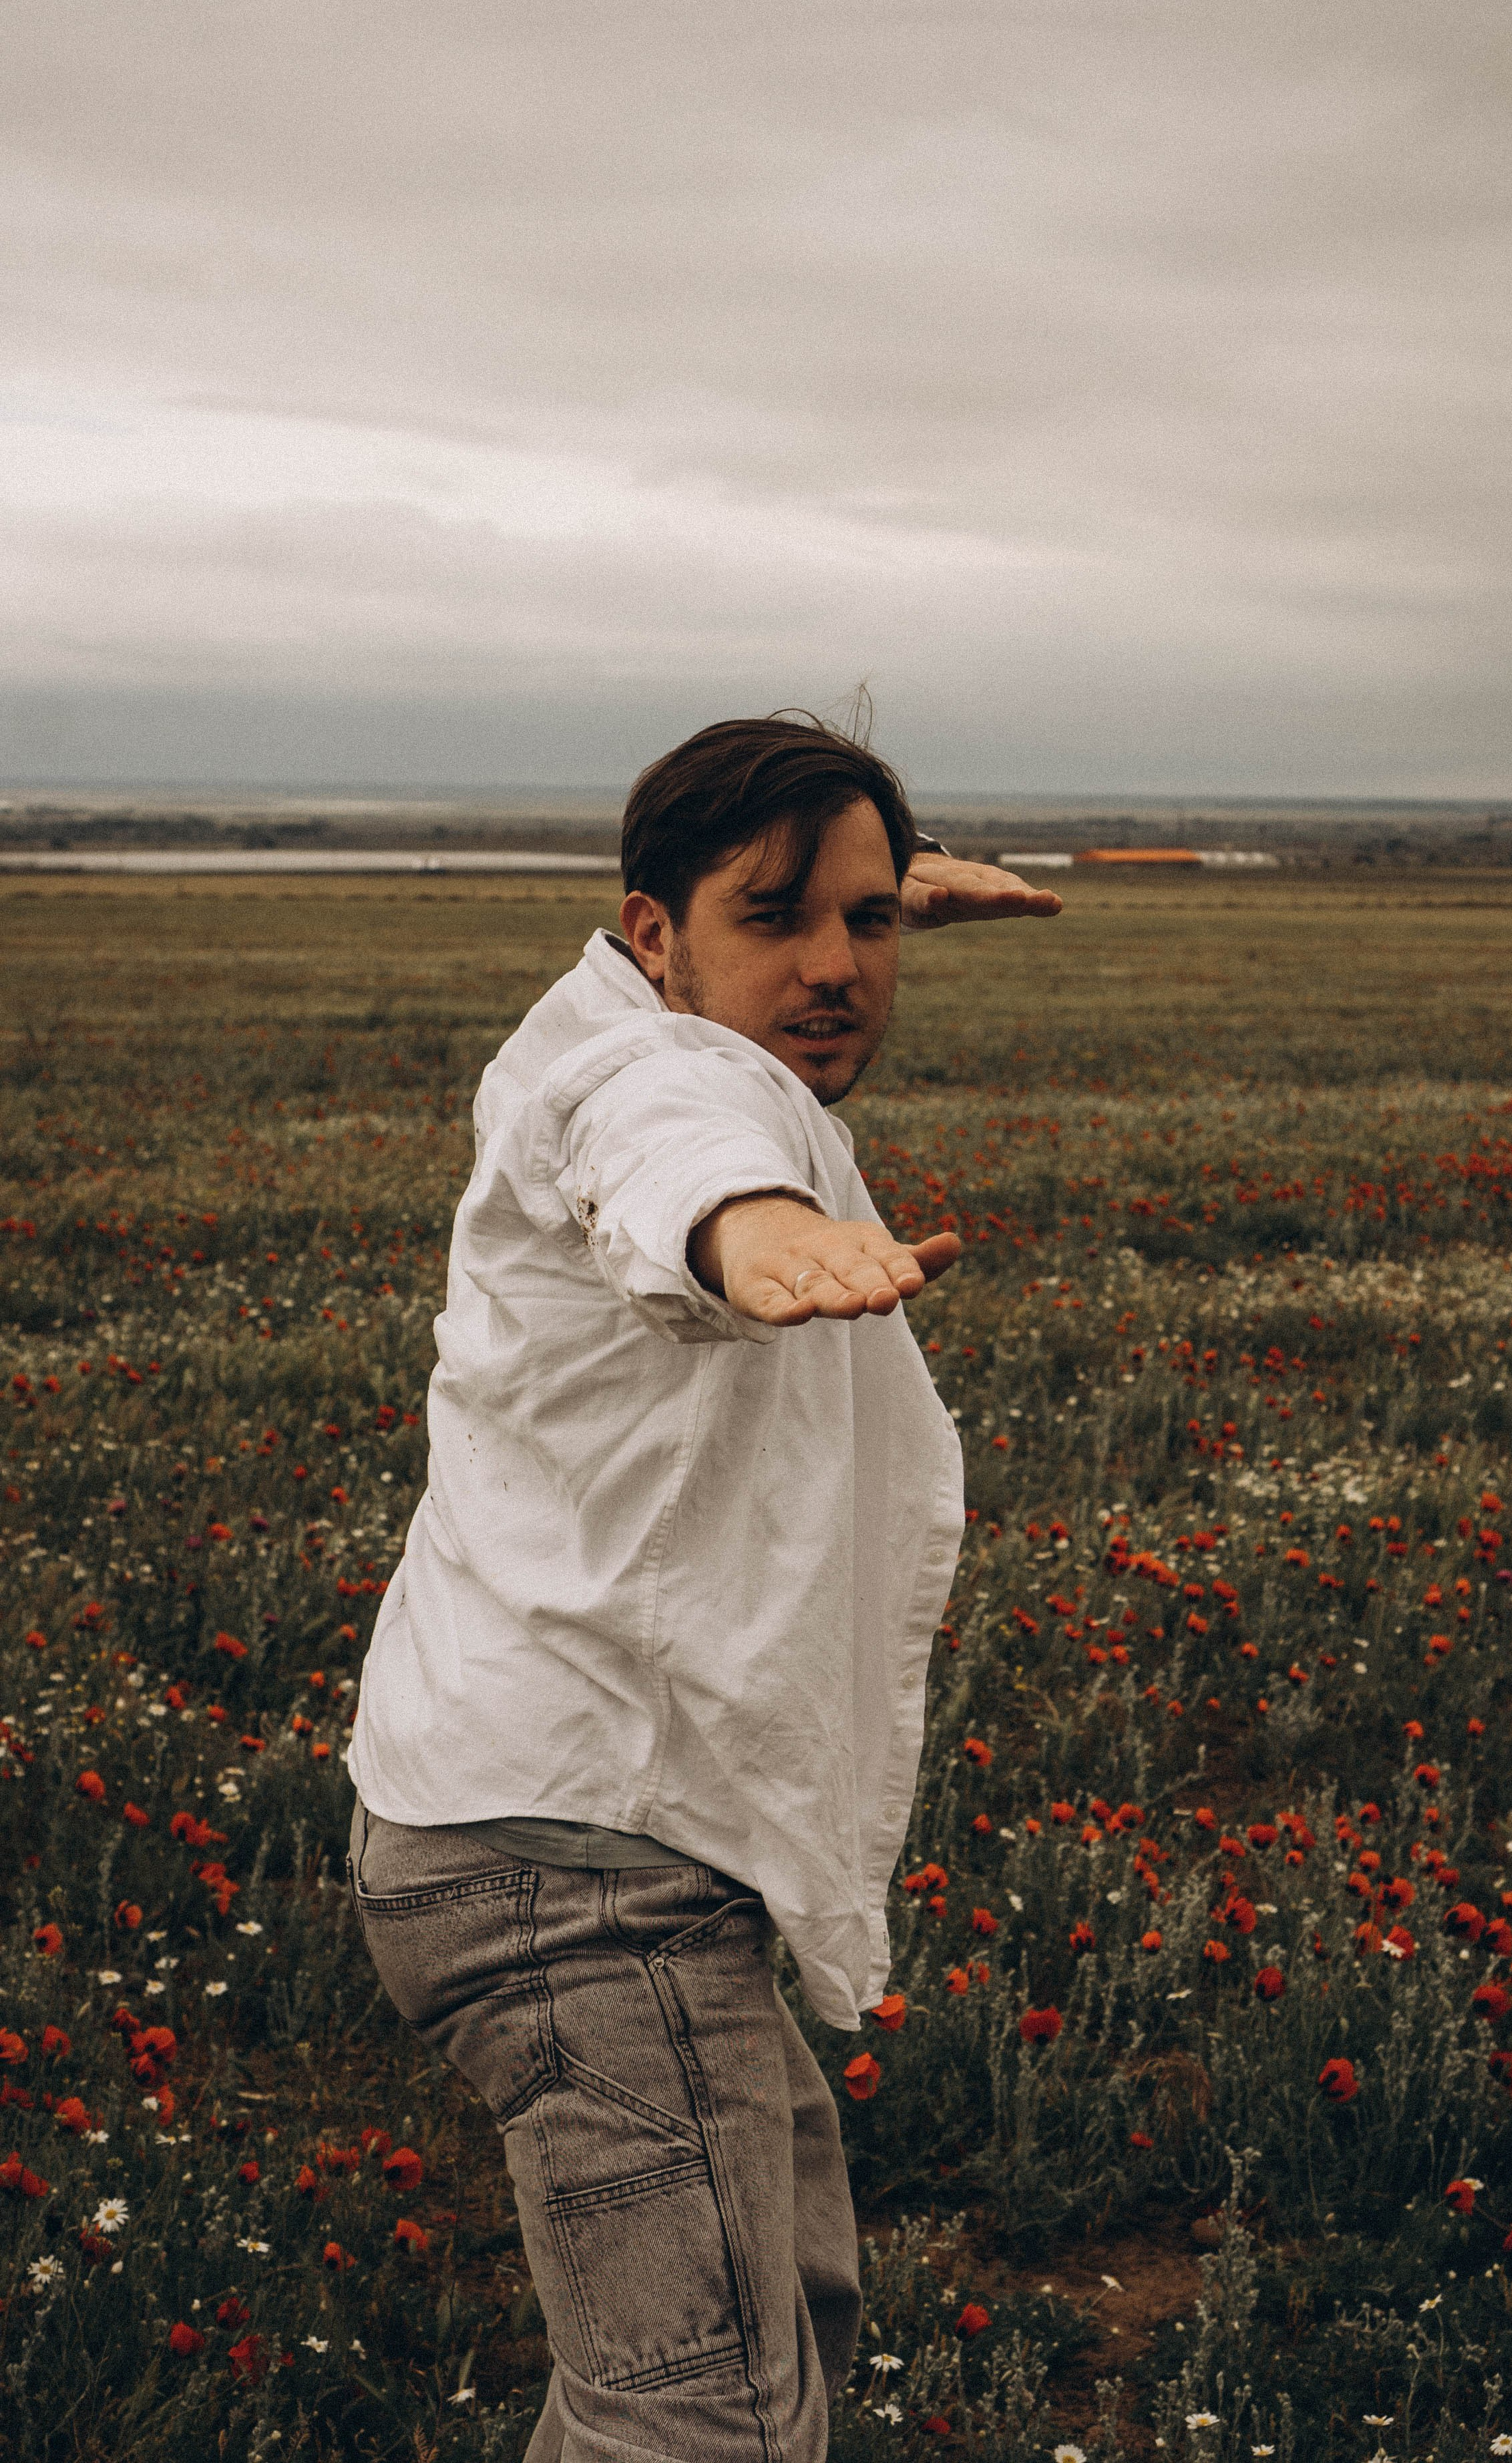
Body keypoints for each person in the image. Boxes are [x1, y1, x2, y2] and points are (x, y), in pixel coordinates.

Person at [344, 713, 1060, 2461]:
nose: (834, 969)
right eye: (776, 919)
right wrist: (750, 1232)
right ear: (654, 934)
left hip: (546, 1819)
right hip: (585, 1871)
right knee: (707, 2424)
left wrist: (869, 888)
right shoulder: (670, 1085)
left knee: (764, 2340)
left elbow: (718, 989)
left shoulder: (593, 1012)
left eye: (868, 924)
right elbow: (663, 1149)